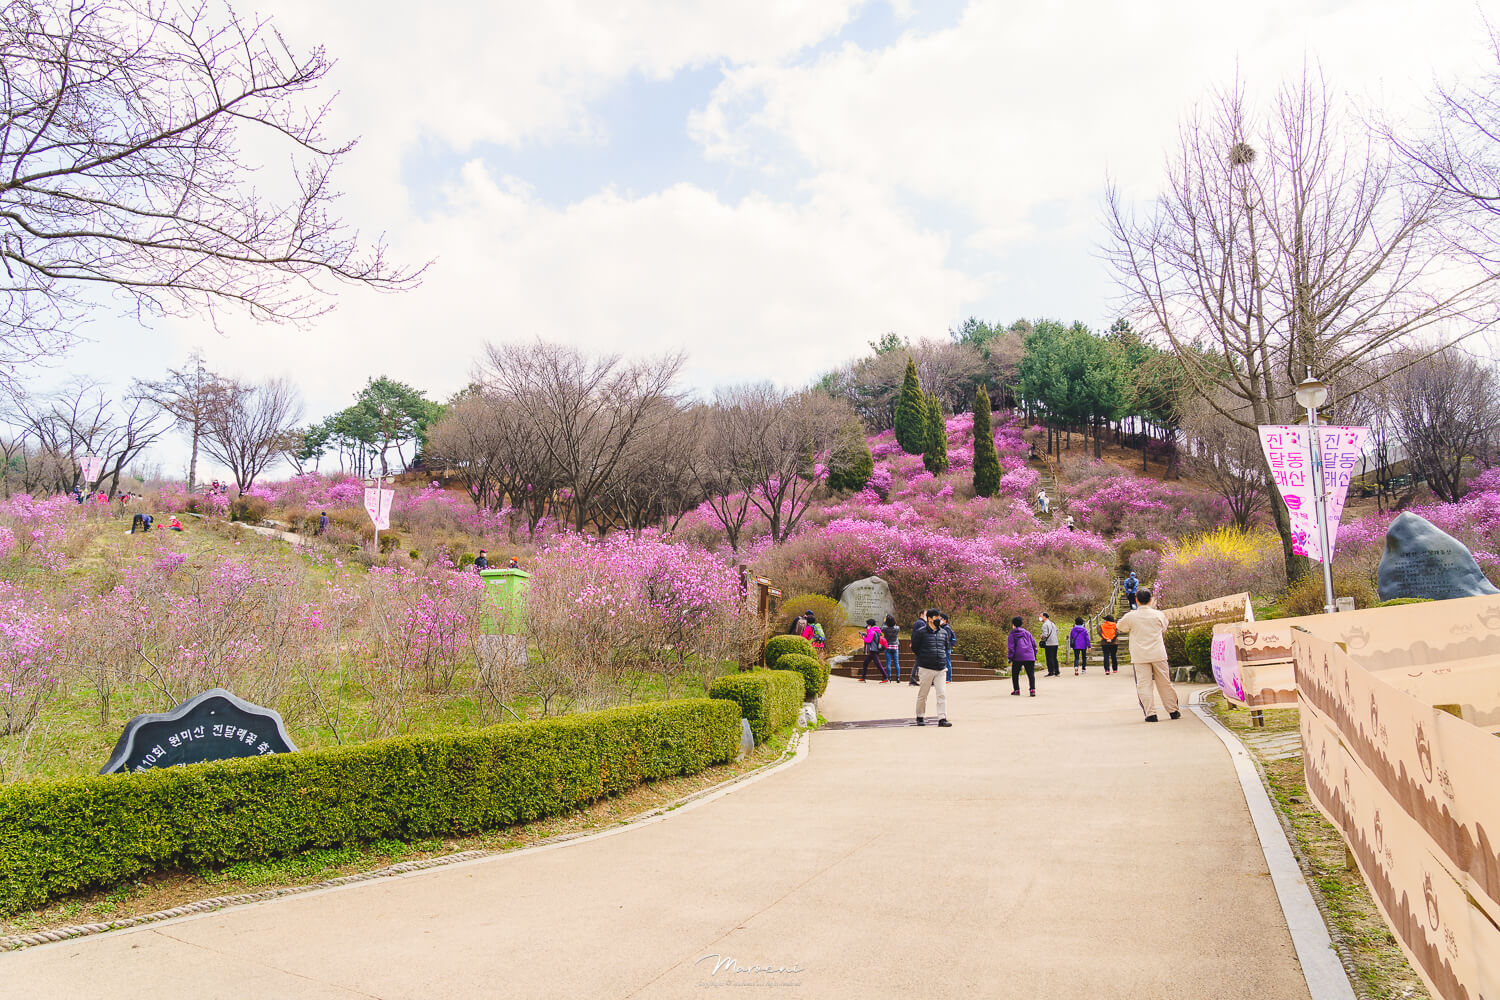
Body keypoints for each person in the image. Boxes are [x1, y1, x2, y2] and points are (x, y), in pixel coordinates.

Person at [1116, 589, 1180, 722]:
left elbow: (1120, 626)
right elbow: (1164, 628)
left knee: (1144, 684)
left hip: (1140, 655)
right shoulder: (1158, 614)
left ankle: (1151, 713)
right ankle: (1173, 710)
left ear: (1136, 600)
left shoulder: (1131, 616)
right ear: (1151, 600)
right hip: (1158, 653)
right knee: (1165, 683)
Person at [912, 609, 952, 727]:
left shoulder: (943, 632)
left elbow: (945, 646)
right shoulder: (920, 632)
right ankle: (920, 716)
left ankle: (942, 718)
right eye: (936, 617)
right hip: (926, 667)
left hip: (940, 667)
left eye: (939, 617)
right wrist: (924, 658)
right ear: (929, 619)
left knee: (941, 693)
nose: (938, 620)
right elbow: (915, 647)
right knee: (923, 694)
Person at [1007, 616, 1037, 697]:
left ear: (1013, 625)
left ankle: (1016, 690)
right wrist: (1034, 655)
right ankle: (1032, 689)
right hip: (1029, 656)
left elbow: (1011, 647)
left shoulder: (1012, 634)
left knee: (1015, 674)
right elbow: (1034, 645)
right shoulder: (1027, 633)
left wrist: (1010, 657)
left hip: (1018, 657)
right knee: (1031, 674)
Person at [858, 618, 889, 683]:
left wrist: (863, 637)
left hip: (873, 650)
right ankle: (863, 677)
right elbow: (873, 638)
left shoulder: (872, 631)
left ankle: (885, 677)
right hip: (875, 649)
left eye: (868, 625)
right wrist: (866, 634)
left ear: (870, 625)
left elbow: (868, 640)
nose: (867, 626)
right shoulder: (876, 630)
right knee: (866, 663)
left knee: (878, 664)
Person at [881, 614, 900, 683]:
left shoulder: (885, 629)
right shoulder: (897, 628)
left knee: (888, 663)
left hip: (887, 647)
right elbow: (895, 625)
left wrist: (884, 621)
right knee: (896, 663)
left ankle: (889, 677)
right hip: (895, 647)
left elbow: (882, 628)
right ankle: (898, 677)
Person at [939, 612, 956, 682]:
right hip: (944, 648)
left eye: (941, 619)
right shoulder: (942, 627)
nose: (940, 620)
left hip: (946, 648)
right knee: (945, 663)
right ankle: (946, 678)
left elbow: (947, 639)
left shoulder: (947, 628)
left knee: (947, 663)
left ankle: (949, 678)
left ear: (945, 620)